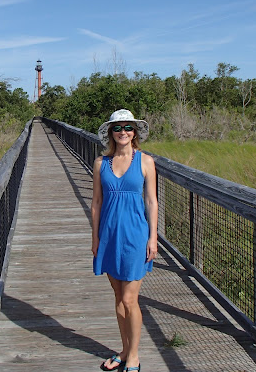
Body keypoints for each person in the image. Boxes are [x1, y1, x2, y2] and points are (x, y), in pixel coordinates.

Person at [91, 109, 158, 372]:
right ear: (110, 132)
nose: (123, 132)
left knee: (130, 300)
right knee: (118, 298)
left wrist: (152, 238)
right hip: (108, 234)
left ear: (135, 132)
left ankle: (134, 356)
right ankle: (124, 349)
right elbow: (96, 203)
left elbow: (151, 201)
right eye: (117, 128)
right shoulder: (100, 163)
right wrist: (95, 237)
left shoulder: (145, 161)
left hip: (135, 235)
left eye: (128, 127)